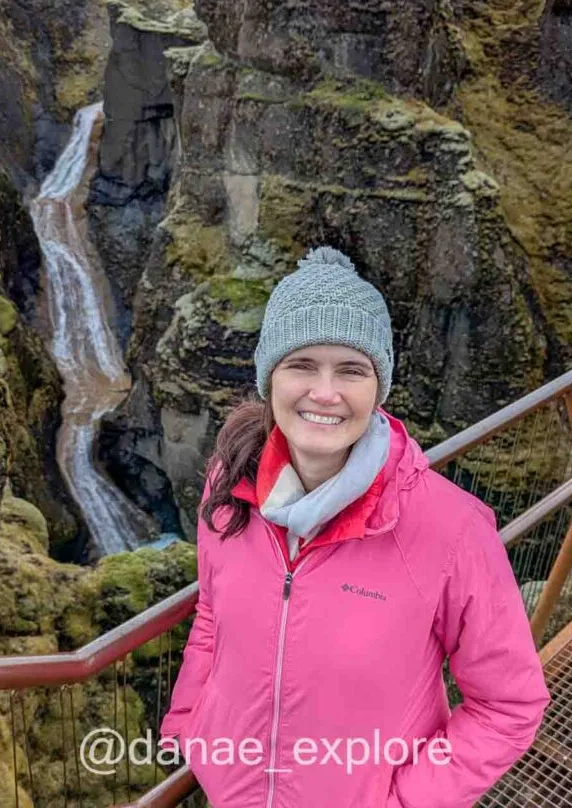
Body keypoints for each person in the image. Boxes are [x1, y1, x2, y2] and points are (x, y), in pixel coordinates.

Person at [159, 246, 551, 808]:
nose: (325, 392)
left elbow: (508, 707)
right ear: (269, 376)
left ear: (378, 386)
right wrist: (190, 727)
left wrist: (406, 801)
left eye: (351, 369)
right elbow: (213, 616)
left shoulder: (454, 529)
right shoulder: (230, 483)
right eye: (301, 365)